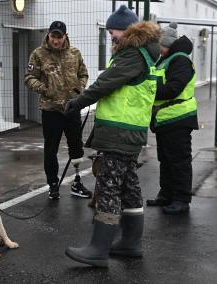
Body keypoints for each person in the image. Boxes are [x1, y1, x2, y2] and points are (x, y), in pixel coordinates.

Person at [63, 5, 161, 267]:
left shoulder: (132, 54)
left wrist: (78, 102)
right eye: (107, 30)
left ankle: (98, 248)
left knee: (108, 185)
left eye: (113, 30)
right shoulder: (144, 53)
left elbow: (106, 83)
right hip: (130, 132)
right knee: (129, 186)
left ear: (128, 30)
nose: (110, 35)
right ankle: (130, 243)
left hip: (120, 133)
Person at [24, 20, 92, 200]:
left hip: (72, 108)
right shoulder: (38, 54)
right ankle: (53, 184)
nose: (56, 40)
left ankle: (77, 182)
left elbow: (83, 73)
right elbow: (29, 77)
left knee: (76, 146)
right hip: (51, 110)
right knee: (51, 149)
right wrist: (45, 89)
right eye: (53, 36)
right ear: (48, 34)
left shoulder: (74, 53)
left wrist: (80, 88)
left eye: (59, 37)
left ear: (65, 36)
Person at [146, 22, 198, 215]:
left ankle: (182, 199)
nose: (156, 49)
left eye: (158, 45)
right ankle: (166, 194)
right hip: (165, 119)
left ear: (166, 44)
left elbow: (173, 88)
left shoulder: (180, 60)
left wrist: (146, 92)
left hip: (178, 118)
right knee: (166, 159)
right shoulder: (165, 59)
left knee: (178, 160)